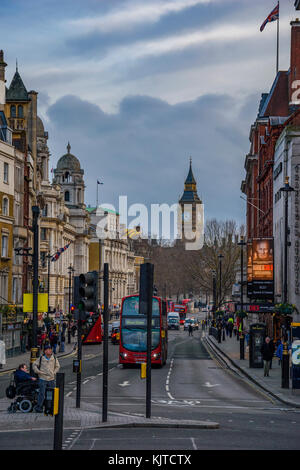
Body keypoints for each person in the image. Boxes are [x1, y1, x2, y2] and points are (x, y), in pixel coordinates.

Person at [32, 345, 60, 413]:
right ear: (45, 351)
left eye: (51, 349)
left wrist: (54, 372)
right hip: (43, 379)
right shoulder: (41, 358)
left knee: (52, 394)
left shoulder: (54, 358)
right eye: (48, 349)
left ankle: (51, 407)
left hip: (51, 379)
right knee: (42, 394)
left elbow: (58, 366)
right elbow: (34, 365)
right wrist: (38, 371)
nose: (50, 350)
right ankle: (39, 408)